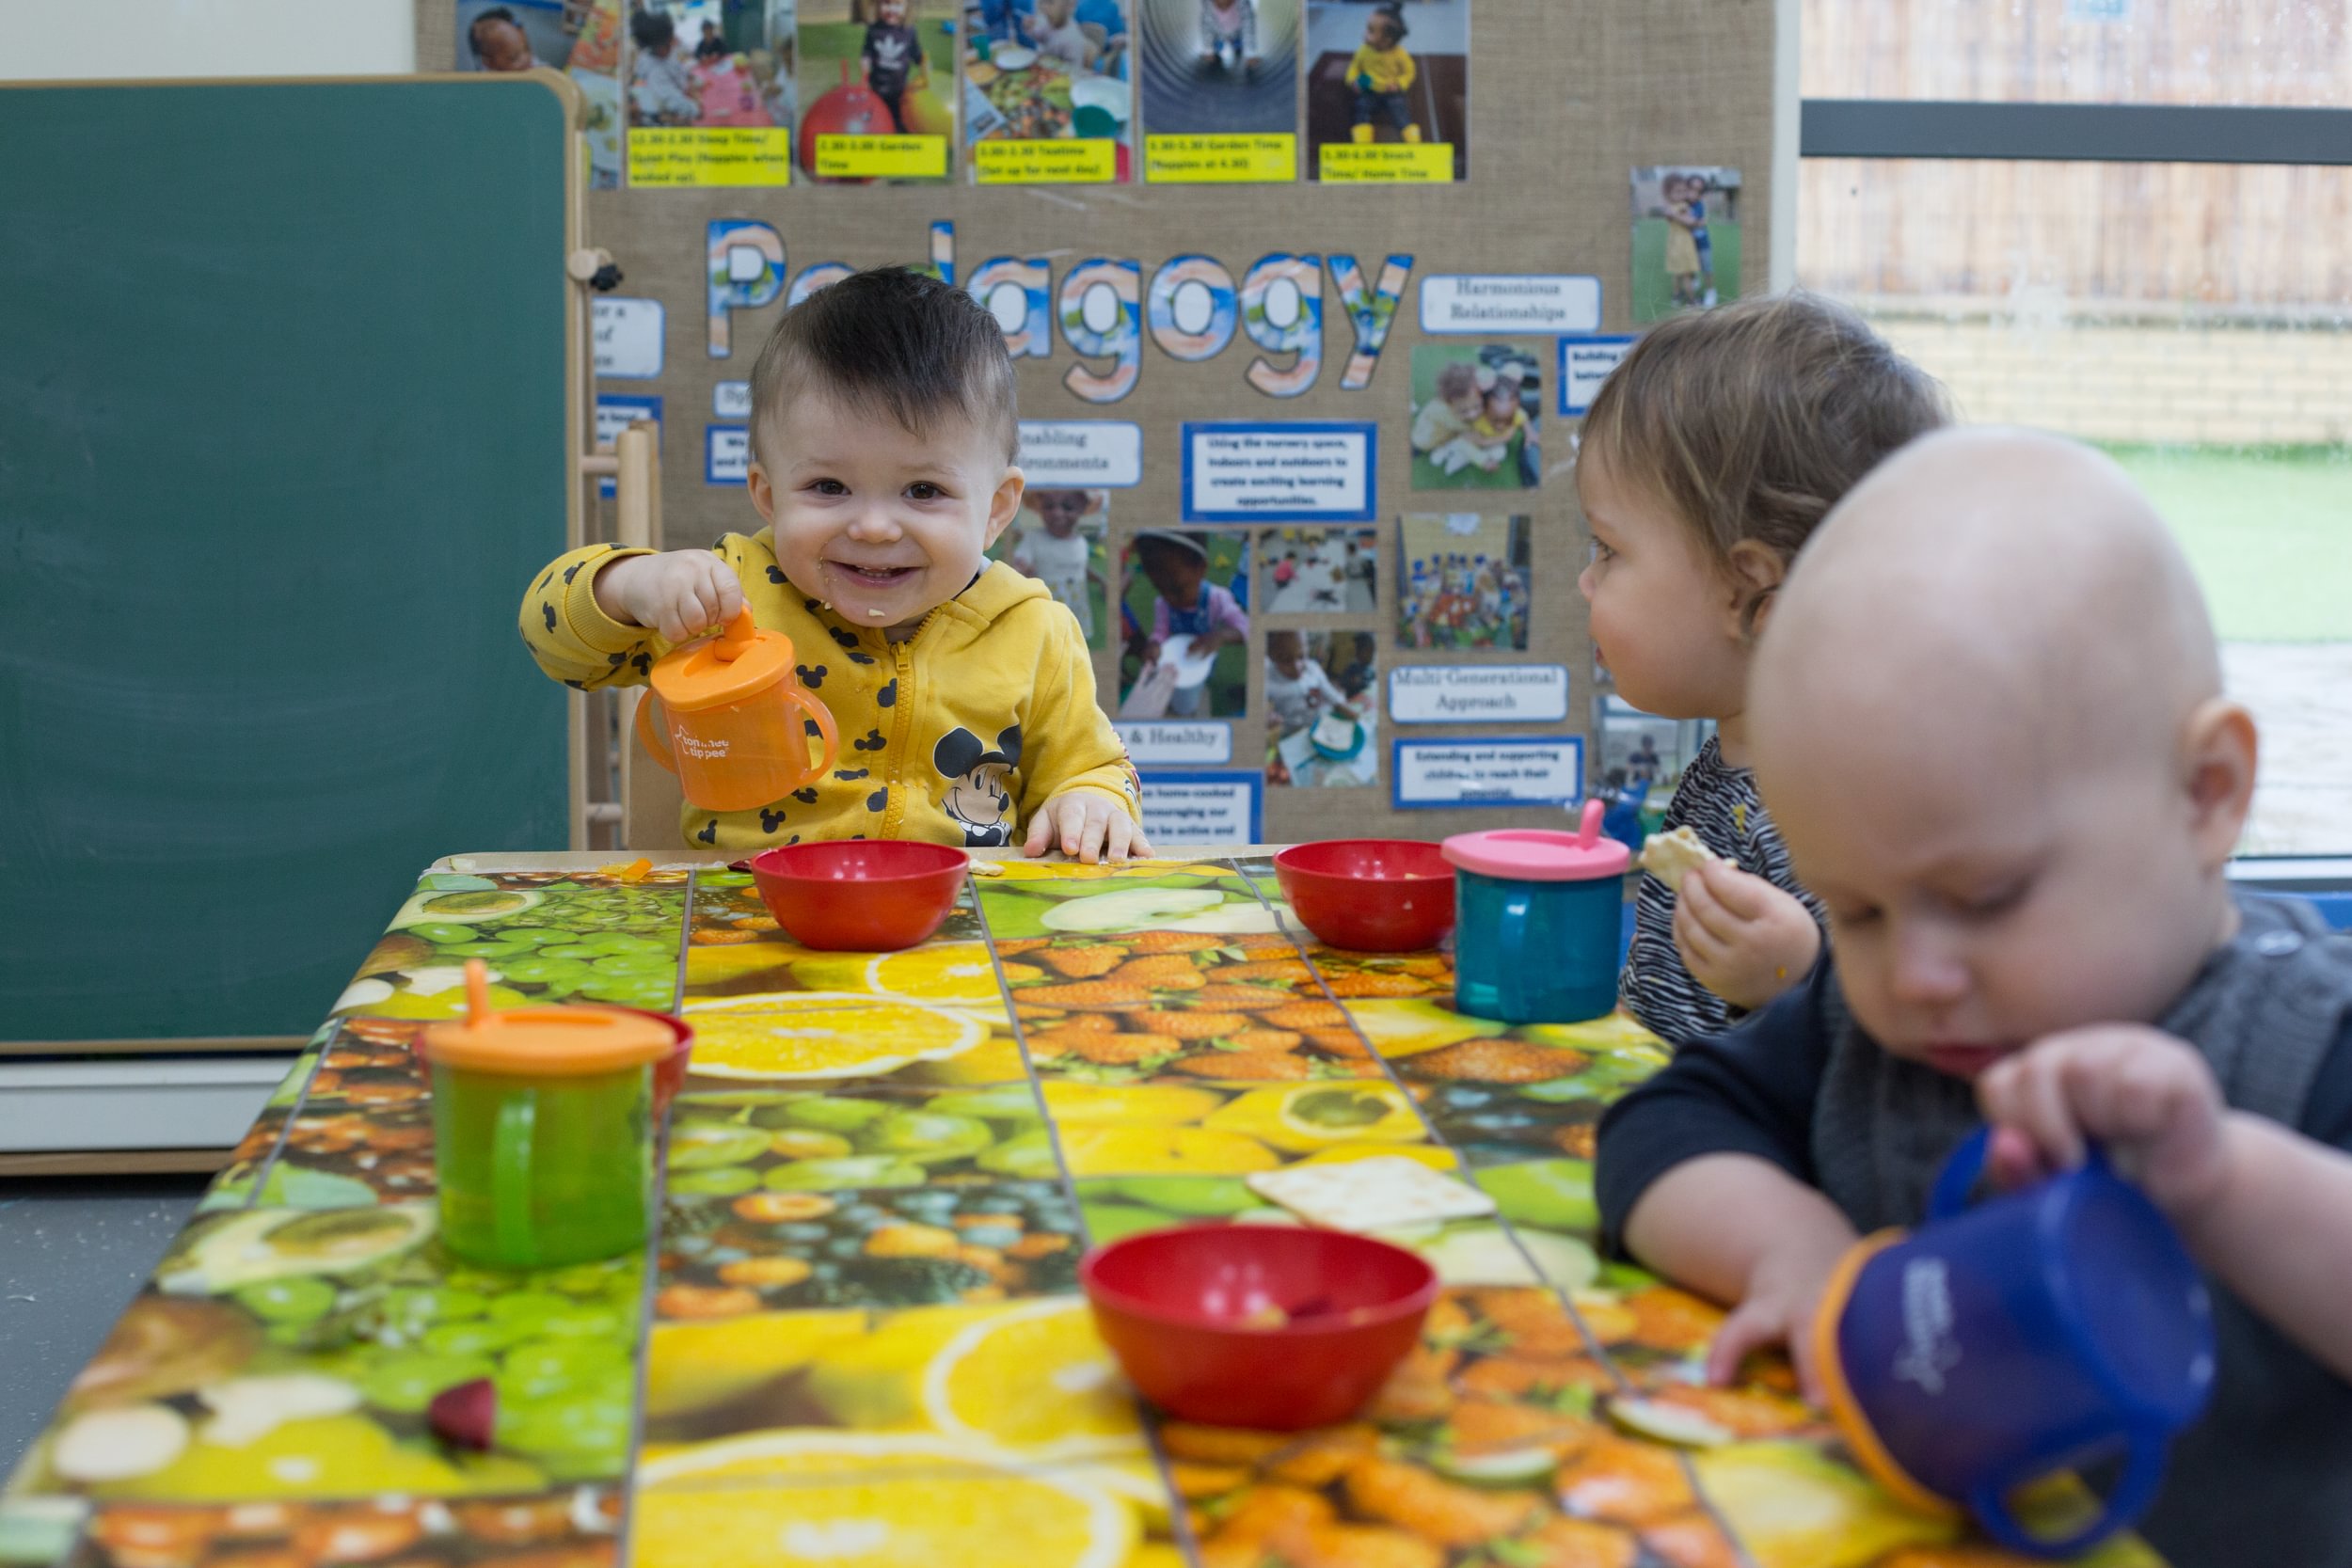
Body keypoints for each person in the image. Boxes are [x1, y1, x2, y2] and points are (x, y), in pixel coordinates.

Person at [1596, 428, 2352, 1568]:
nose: (1916, 974)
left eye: (1986, 896)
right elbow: (1657, 1128)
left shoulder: (2308, 1040)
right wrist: (1791, 1252)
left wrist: (2226, 1181)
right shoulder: (1883, 1028)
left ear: (2206, 795)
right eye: (1857, 911)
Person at [518, 266, 1146, 861]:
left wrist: (1089, 799)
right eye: (828, 487)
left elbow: (1093, 766)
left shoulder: (1032, 631)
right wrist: (631, 584)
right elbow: (550, 642)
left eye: (923, 491)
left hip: (953, 937)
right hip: (745, 925)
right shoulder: (727, 598)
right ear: (768, 494)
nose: (872, 527)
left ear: (997, 508)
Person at [1578, 292, 1949, 1048]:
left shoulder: (1835, 805)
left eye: (1609, 552)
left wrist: (1798, 974)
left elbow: (1916, 1040)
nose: (1587, 582)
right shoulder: (1744, 759)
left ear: (1751, 593)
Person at [1127, 531, 1248, 719]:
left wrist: (1222, 635)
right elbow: (1161, 631)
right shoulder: (1162, 603)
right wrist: (1155, 644)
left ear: (1201, 568)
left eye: (1177, 589)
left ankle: (1200, 688)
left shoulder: (1217, 599)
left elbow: (1246, 628)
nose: (1170, 597)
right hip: (1175, 661)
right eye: (1160, 589)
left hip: (1202, 658)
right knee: (1179, 696)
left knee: (1197, 686)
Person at [1007, 488, 1105, 641]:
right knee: (1049, 643)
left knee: (1073, 643)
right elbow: (1020, 562)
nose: (1057, 513)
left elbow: (1080, 568)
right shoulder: (1033, 539)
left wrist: (1100, 579)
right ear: (1040, 509)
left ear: (1082, 509)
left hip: (1075, 604)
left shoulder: (1080, 542)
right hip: (1048, 604)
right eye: (1049, 506)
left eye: (1068, 507)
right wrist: (1019, 570)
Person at [1345, 4, 1418, 144]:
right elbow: (1354, 66)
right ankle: (1362, 139)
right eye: (1367, 28)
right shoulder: (1364, 50)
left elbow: (1409, 71)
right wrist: (1353, 79)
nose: (1365, 33)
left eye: (1371, 31)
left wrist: (1400, 83)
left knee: (1400, 110)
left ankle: (1411, 135)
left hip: (1390, 88)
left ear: (1387, 40)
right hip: (1369, 85)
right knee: (1361, 107)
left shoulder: (1400, 54)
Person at [1263, 630, 1351, 737]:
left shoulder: (1313, 669)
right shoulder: (1268, 680)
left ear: (1307, 649)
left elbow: (1329, 692)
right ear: (1272, 657)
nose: (1297, 667)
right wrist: (1268, 717)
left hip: (1318, 724)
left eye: (1301, 656)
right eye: (1286, 660)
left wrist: (1342, 705)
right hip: (1290, 732)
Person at [862, 0, 926, 133]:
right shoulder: (874, 29)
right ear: (878, 5)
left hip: (900, 89)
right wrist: (865, 67)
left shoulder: (909, 31)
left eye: (897, 5)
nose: (891, 9)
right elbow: (866, 52)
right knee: (876, 120)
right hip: (877, 88)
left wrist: (925, 68)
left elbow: (917, 54)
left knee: (899, 122)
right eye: (886, 3)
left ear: (905, 7)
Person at [628, 9, 700, 123]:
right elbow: (676, 103)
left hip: (678, 99)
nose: (672, 45)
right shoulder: (654, 72)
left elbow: (676, 67)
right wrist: (696, 109)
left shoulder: (663, 55)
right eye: (669, 42)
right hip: (660, 120)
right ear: (659, 46)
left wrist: (689, 76)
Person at [468, 6, 547, 71]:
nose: (527, 59)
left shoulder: (539, 68)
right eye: (514, 58)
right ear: (489, 63)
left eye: (527, 48)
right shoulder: (487, 83)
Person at [1200, 0, 1257, 71]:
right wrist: (1208, 50)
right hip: (1218, 34)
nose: (1223, 4)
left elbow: (1248, 28)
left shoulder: (1243, 4)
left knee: (1239, 46)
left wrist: (1250, 53)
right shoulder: (1208, 7)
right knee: (1216, 47)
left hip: (1238, 33)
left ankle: (1237, 47)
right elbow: (1206, 29)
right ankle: (1218, 52)